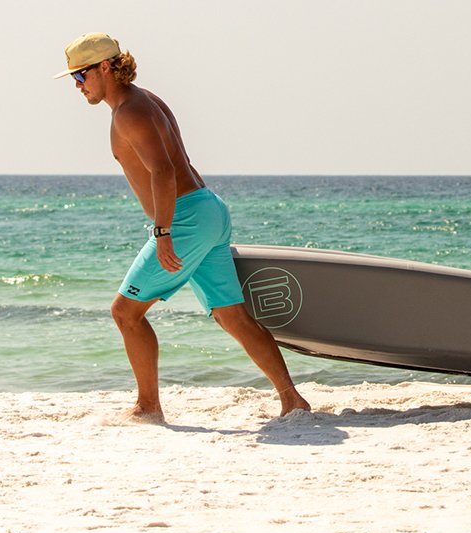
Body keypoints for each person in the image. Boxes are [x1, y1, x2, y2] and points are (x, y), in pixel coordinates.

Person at [54, 32, 311, 423]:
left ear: (104, 67)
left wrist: (163, 232)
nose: (77, 86)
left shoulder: (129, 111)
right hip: (207, 210)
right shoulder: (144, 99)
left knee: (125, 313)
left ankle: (148, 406)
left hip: (186, 216)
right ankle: (291, 399)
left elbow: (163, 170)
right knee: (232, 316)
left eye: (80, 75)